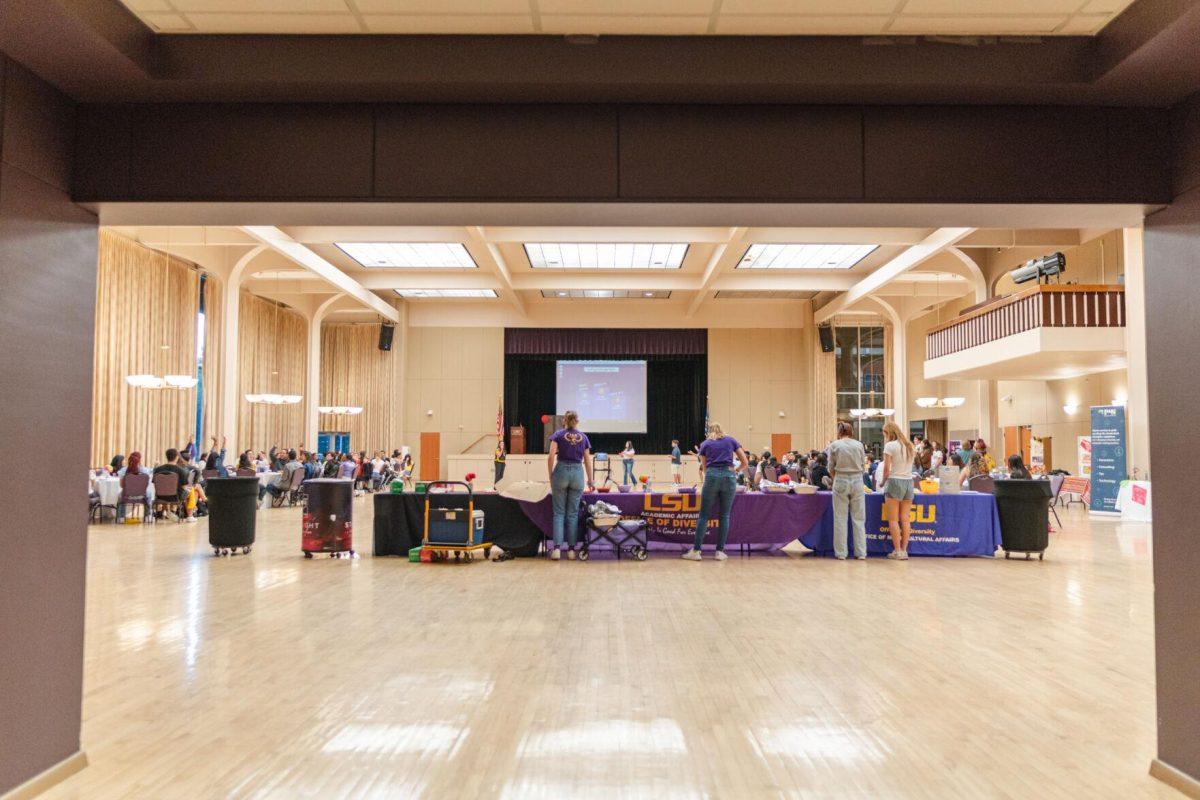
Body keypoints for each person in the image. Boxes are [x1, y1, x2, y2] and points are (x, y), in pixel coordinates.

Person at [681, 422, 748, 562]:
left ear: (709, 432)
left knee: (704, 515)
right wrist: (735, 471)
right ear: (722, 430)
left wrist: (711, 475)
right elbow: (745, 462)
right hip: (729, 477)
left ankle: (696, 551)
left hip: (711, 476)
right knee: (724, 516)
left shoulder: (705, 444)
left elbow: (704, 467)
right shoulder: (731, 440)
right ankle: (719, 552)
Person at [546, 410, 594, 560]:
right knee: (573, 514)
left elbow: (551, 456)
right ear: (577, 421)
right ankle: (572, 550)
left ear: (564, 421)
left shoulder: (558, 435)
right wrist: (591, 480)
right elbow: (587, 460)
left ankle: (557, 549)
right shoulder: (584, 437)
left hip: (561, 472)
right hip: (577, 473)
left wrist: (550, 475)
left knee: (559, 513)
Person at [828, 421, 868, 560]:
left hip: (840, 479)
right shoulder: (859, 445)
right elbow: (863, 465)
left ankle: (841, 553)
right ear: (851, 432)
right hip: (857, 480)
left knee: (840, 518)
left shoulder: (834, 445)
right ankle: (861, 553)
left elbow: (830, 467)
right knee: (859, 519)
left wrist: (836, 478)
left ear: (839, 432)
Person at [881, 421, 916, 560]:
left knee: (893, 520)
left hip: (895, 481)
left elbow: (886, 469)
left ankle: (897, 550)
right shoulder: (909, 446)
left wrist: (883, 482)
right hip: (908, 482)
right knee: (905, 519)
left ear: (888, 433)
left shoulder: (890, 446)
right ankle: (904, 550)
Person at [152, 448, 191, 521]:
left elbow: (155, 485)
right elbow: (184, 486)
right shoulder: (181, 470)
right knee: (188, 490)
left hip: (160, 496)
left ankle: (163, 512)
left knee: (166, 490)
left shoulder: (158, 470)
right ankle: (176, 512)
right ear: (177, 457)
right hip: (175, 497)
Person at [117, 451, 151, 522]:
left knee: (120, 496)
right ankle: (147, 516)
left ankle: (121, 517)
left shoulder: (123, 471)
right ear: (140, 460)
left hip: (126, 495)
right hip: (142, 496)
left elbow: (121, 485)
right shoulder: (145, 471)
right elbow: (146, 485)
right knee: (149, 494)